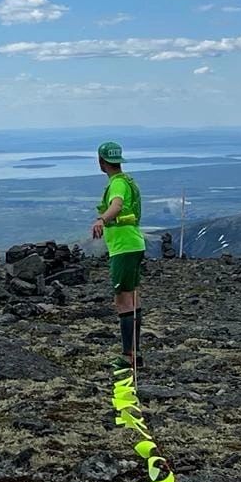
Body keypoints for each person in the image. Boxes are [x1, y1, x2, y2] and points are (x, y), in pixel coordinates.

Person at [91, 141, 146, 368]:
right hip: (132, 244)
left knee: (123, 300)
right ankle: (135, 353)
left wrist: (101, 219)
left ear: (102, 162)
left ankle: (128, 356)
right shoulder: (126, 181)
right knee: (132, 297)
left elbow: (116, 205)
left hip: (124, 247)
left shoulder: (117, 184)